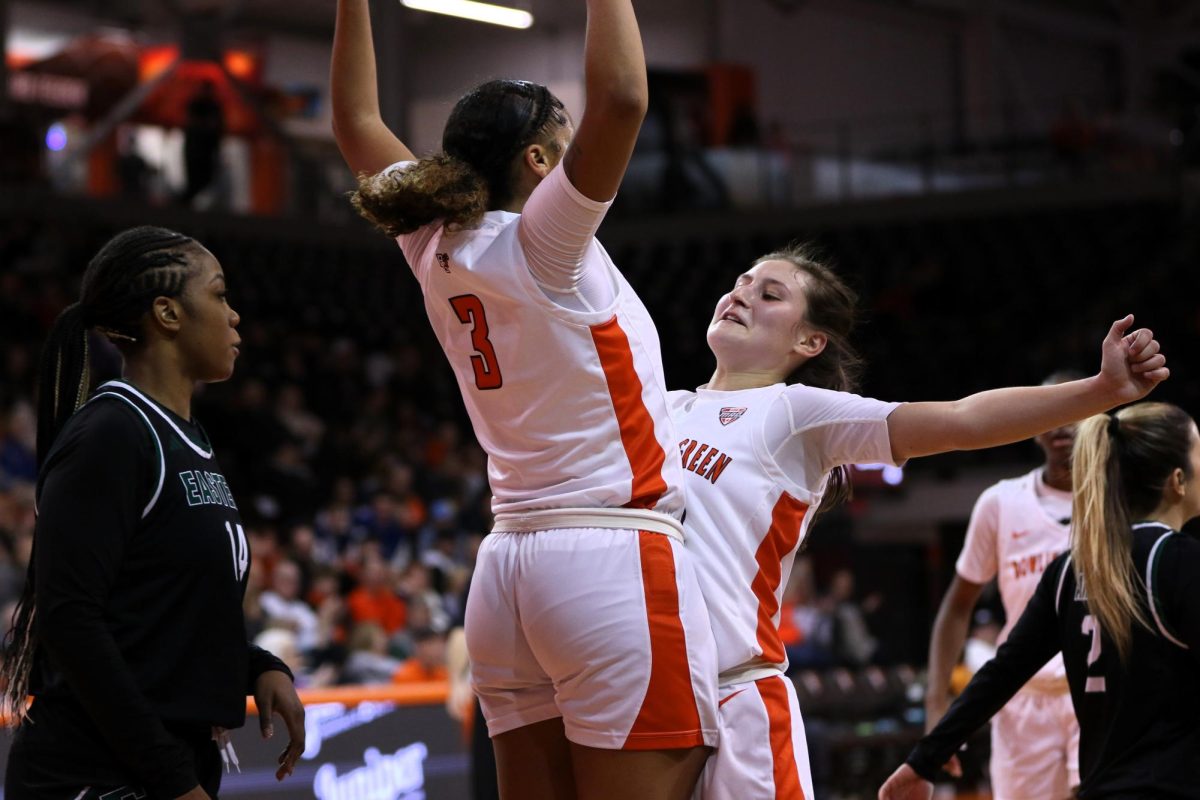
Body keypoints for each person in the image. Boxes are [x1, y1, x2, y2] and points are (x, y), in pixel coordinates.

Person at [330, 1, 717, 798]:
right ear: (540, 161)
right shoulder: (546, 243)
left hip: (507, 573)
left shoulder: (433, 243)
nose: (587, 153)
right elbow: (624, 98)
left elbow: (355, 119)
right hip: (607, 559)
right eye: (569, 143)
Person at [668, 244, 1168, 800]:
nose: (742, 294)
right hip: (648, 684)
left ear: (808, 342)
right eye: (741, 282)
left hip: (732, 692)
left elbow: (960, 419)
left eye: (770, 293)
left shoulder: (795, 410)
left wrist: (1101, 390)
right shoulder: (658, 408)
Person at [0, 226, 306, 799]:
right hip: (92, 774)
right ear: (167, 313)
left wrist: (258, 665)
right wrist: (171, 778)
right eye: (219, 295)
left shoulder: (185, 436)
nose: (235, 316)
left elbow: (157, 620)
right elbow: (71, 621)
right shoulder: (111, 433)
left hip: (154, 765)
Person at [880, 401, 1200, 799]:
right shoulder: (1180, 561)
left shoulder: (1070, 569)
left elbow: (1002, 672)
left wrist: (924, 758)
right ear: (1177, 480)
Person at [924, 370, 1084, 800]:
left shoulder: (1119, 499)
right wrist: (937, 704)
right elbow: (957, 606)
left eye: (1075, 411)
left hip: (1096, 690)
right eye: (1052, 411)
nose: (1063, 423)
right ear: (1034, 427)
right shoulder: (1000, 502)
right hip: (1021, 696)